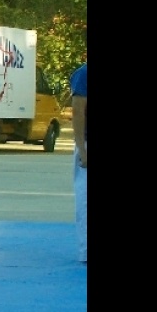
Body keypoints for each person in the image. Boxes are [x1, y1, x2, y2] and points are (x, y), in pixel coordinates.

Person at [70, 61, 87, 263]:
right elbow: (77, 110)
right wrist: (81, 148)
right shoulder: (84, 74)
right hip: (86, 143)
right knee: (85, 200)